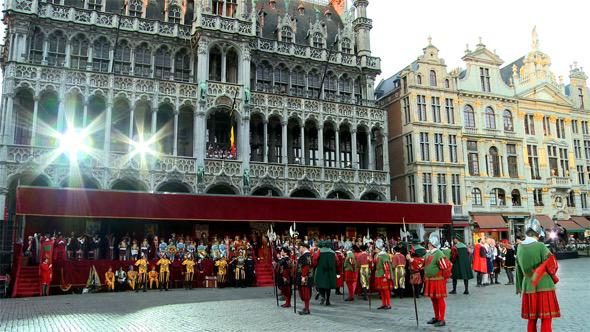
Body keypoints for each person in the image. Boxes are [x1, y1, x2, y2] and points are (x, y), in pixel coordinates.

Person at [516, 218, 560, 332]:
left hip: (528, 286)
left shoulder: (519, 248)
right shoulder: (541, 246)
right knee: (546, 318)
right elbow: (552, 266)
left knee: (532, 319)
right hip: (544, 285)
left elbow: (518, 271)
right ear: (537, 233)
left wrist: (520, 287)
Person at [422, 233, 450, 327]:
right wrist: (412, 260)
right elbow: (422, 264)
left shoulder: (439, 253)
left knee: (439, 299)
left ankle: (442, 319)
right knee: (433, 299)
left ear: (432, 243)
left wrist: (443, 279)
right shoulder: (428, 253)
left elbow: (446, 267)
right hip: (430, 280)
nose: (428, 244)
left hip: (438, 280)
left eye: (429, 242)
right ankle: (436, 317)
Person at [314, 240, 337, 306]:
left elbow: (315, 260)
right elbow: (337, 261)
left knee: (319, 284)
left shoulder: (319, 251)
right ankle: (328, 300)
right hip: (330, 271)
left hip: (321, 270)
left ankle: (323, 296)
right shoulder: (333, 252)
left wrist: (316, 265)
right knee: (328, 286)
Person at [296, 243, 313, 315]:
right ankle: (306, 308)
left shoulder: (306, 255)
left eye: (300, 248)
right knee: (305, 293)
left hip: (305, 277)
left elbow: (306, 266)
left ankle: (306, 309)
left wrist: (303, 276)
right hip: (307, 277)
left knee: (305, 293)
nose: (299, 249)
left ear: (303, 247)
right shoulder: (307, 255)